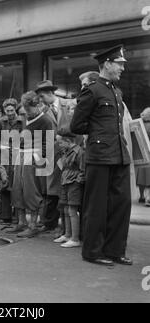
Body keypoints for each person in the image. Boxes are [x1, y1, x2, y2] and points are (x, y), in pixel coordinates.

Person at [70, 44, 132, 266]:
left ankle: (115, 250)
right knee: (96, 206)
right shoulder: (93, 90)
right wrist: (97, 135)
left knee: (122, 204)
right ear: (108, 63)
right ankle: (93, 252)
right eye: (119, 64)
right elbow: (76, 125)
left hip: (119, 155)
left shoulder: (117, 91)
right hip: (99, 156)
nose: (122, 69)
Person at [11, 91, 53, 238]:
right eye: (25, 109)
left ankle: (33, 225)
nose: (27, 112)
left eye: (29, 109)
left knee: (31, 192)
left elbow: (49, 144)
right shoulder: (23, 119)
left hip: (34, 157)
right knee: (17, 189)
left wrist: (37, 158)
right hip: (21, 156)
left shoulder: (46, 121)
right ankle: (21, 222)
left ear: (38, 106)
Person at [35, 80, 62, 234]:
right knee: (51, 190)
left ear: (50, 94)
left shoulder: (68, 104)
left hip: (69, 153)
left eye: (42, 96)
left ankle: (68, 226)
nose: (41, 100)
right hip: (52, 154)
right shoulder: (44, 112)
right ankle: (50, 222)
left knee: (68, 189)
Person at [53, 131, 85, 248]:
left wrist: (77, 181)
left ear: (67, 141)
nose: (59, 144)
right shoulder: (65, 151)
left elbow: (83, 170)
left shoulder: (78, 152)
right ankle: (67, 234)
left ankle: (75, 238)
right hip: (65, 181)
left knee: (72, 210)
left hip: (73, 183)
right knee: (66, 209)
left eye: (60, 142)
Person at [0, 98, 24, 224]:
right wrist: (0, 145)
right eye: (7, 111)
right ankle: (5, 216)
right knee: (5, 184)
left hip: (18, 156)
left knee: (17, 186)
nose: (9, 113)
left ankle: (18, 217)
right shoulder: (2, 122)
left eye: (12, 110)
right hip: (5, 156)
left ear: (15, 109)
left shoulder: (22, 121)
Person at [136, 107, 150, 207]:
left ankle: (141, 196)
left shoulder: (139, 124)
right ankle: (148, 198)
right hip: (148, 152)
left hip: (141, 152)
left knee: (141, 174)